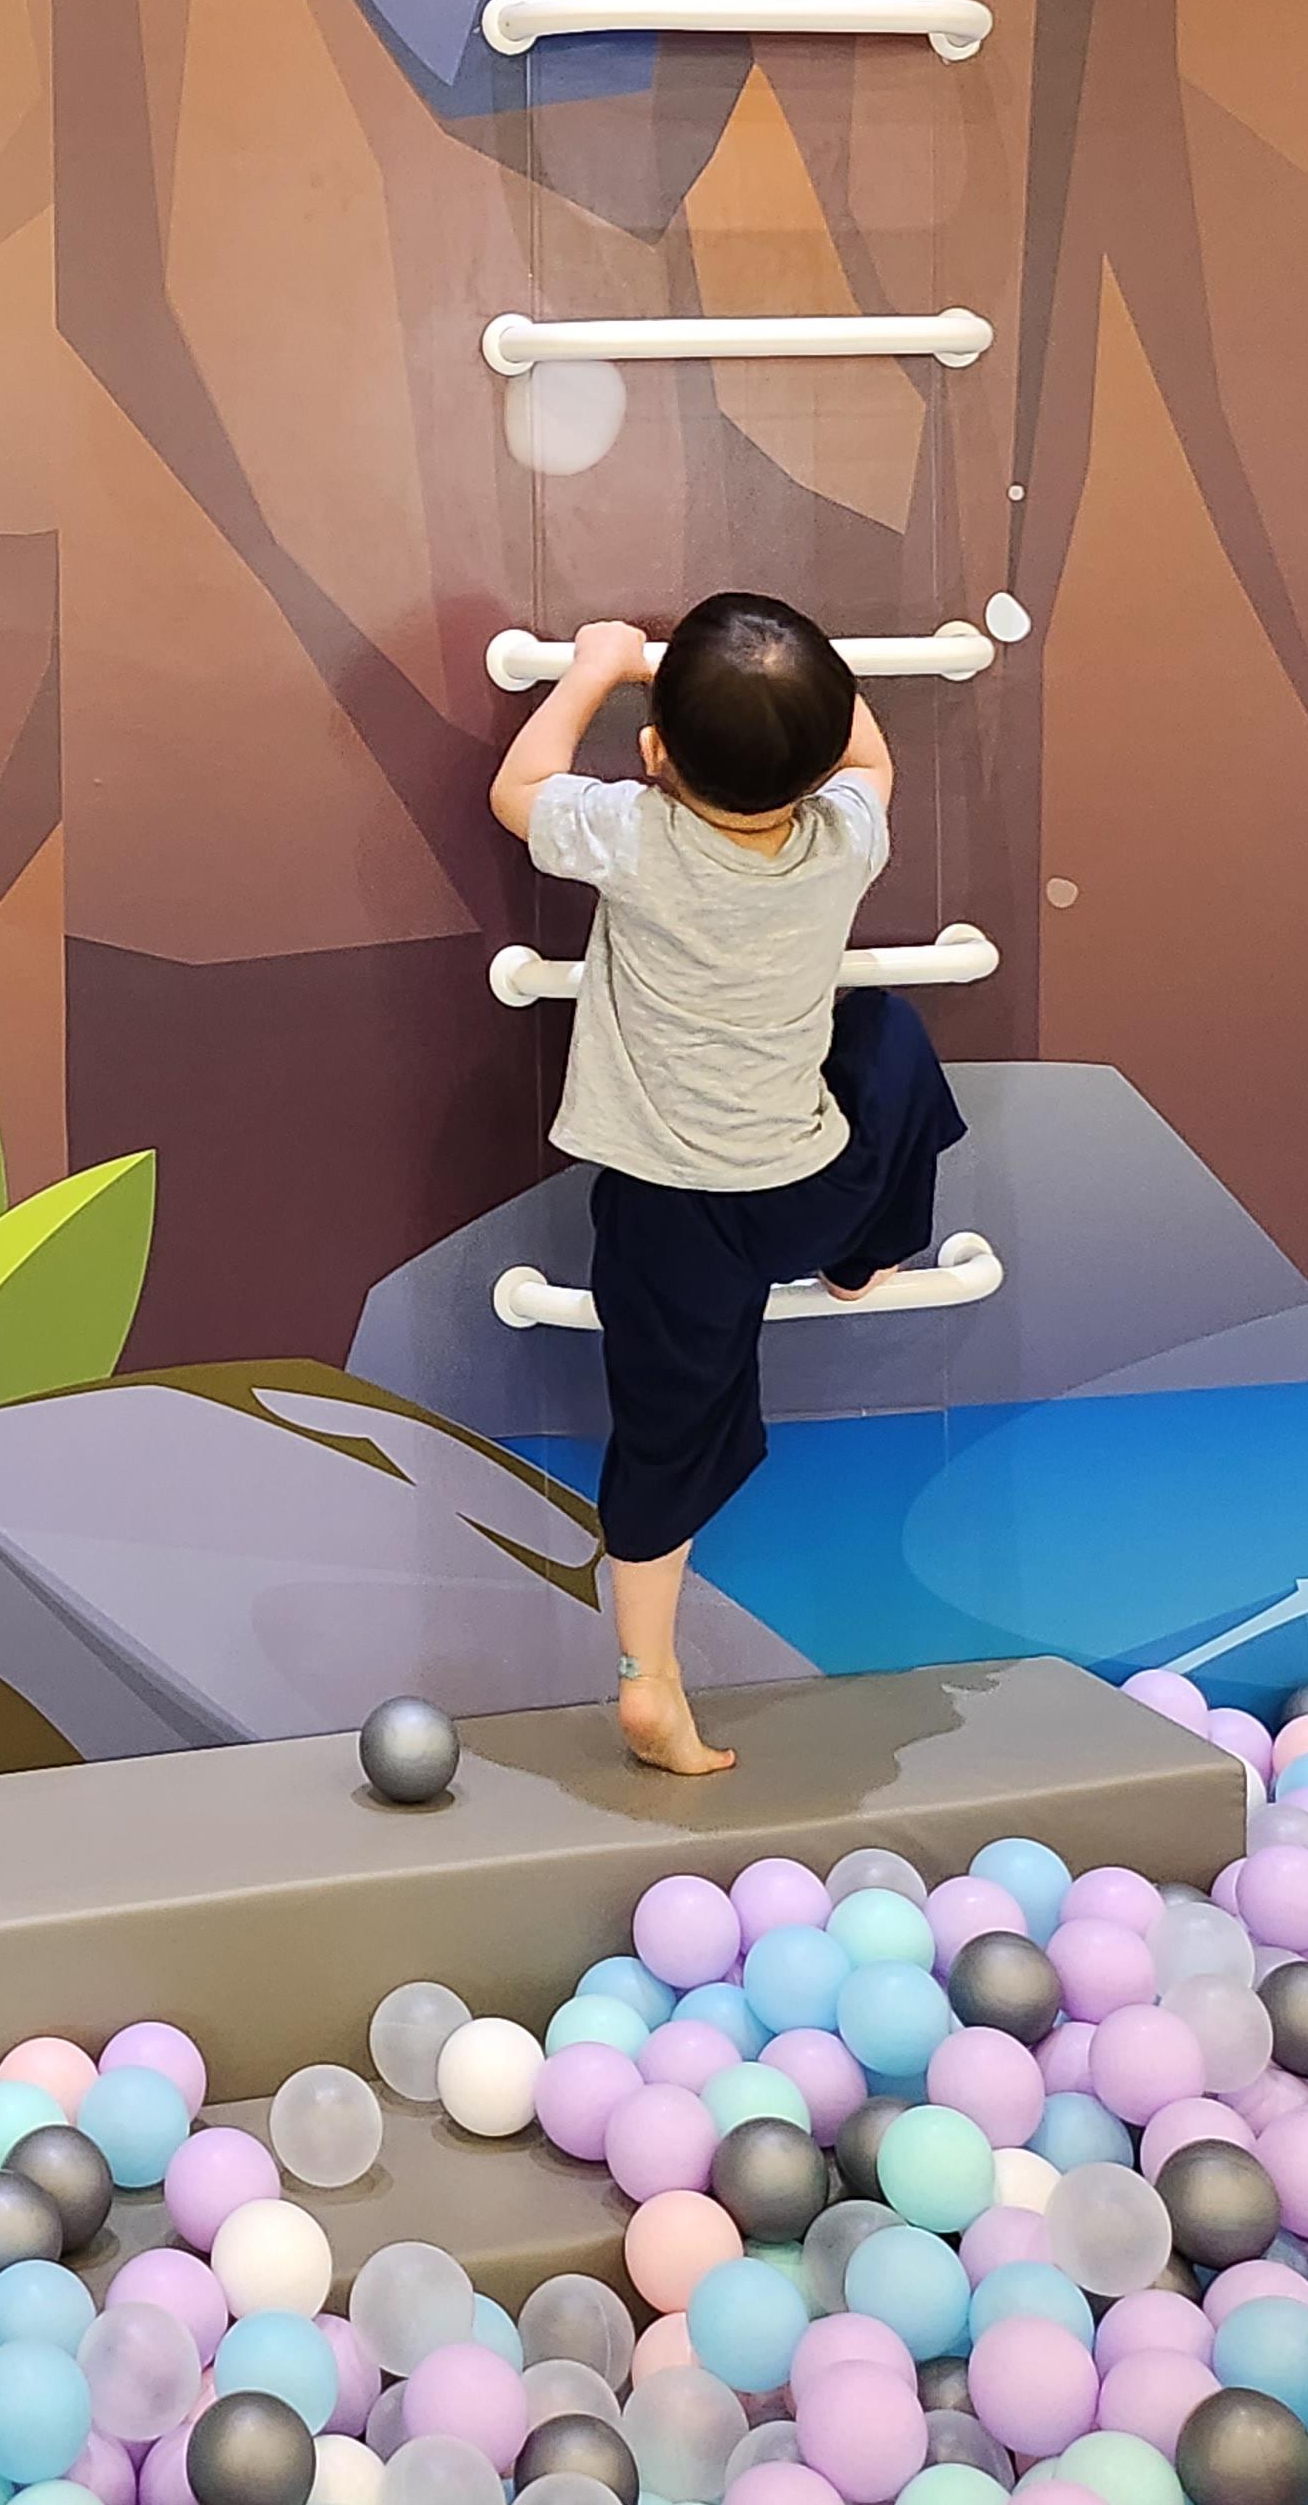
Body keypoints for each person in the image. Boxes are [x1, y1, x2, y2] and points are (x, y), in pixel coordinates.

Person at [490, 592, 966, 1779]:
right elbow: (871, 759)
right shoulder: (844, 836)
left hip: (668, 1217)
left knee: (665, 1436)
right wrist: (819, 691)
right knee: (890, 1037)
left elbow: (519, 787)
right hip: (804, 1194)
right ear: (816, 767)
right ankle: (866, 1252)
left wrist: (599, 667)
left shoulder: (632, 834)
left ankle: (648, 1673)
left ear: (654, 755)